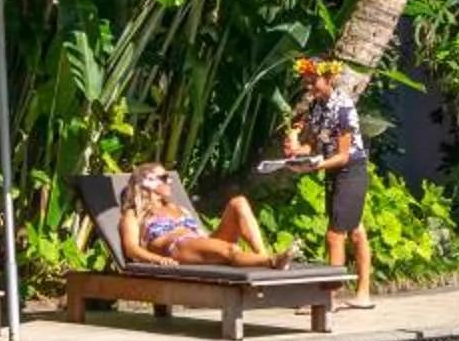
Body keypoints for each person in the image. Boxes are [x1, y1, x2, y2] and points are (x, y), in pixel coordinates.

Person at [284, 56, 374, 308]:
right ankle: (363, 294)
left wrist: (314, 165)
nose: (308, 85)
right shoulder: (317, 107)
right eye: (306, 81)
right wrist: (296, 151)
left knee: (335, 234)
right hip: (334, 171)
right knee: (355, 229)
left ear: (329, 78)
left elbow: (343, 155)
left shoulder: (343, 107)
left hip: (351, 170)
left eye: (313, 80)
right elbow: (313, 143)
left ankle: (329, 298)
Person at [118, 162, 292, 268]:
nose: (169, 180)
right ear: (149, 183)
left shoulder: (174, 207)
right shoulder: (134, 214)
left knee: (238, 202)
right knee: (230, 250)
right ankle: (271, 262)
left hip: (199, 242)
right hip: (178, 247)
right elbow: (131, 249)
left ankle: (262, 255)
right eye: (164, 178)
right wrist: (158, 259)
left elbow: (200, 234)